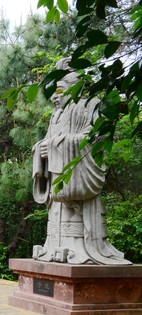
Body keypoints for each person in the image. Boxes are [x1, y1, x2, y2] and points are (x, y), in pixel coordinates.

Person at [31, 58, 129, 265]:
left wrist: (59, 147)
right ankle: (53, 247)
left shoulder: (89, 105)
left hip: (74, 183)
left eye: (59, 91)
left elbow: (94, 140)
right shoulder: (56, 116)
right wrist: (41, 149)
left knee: (75, 227)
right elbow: (48, 141)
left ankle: (79, 249)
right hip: (57, 185)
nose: (54, 98)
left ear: (73, 88)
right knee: (56, 223)